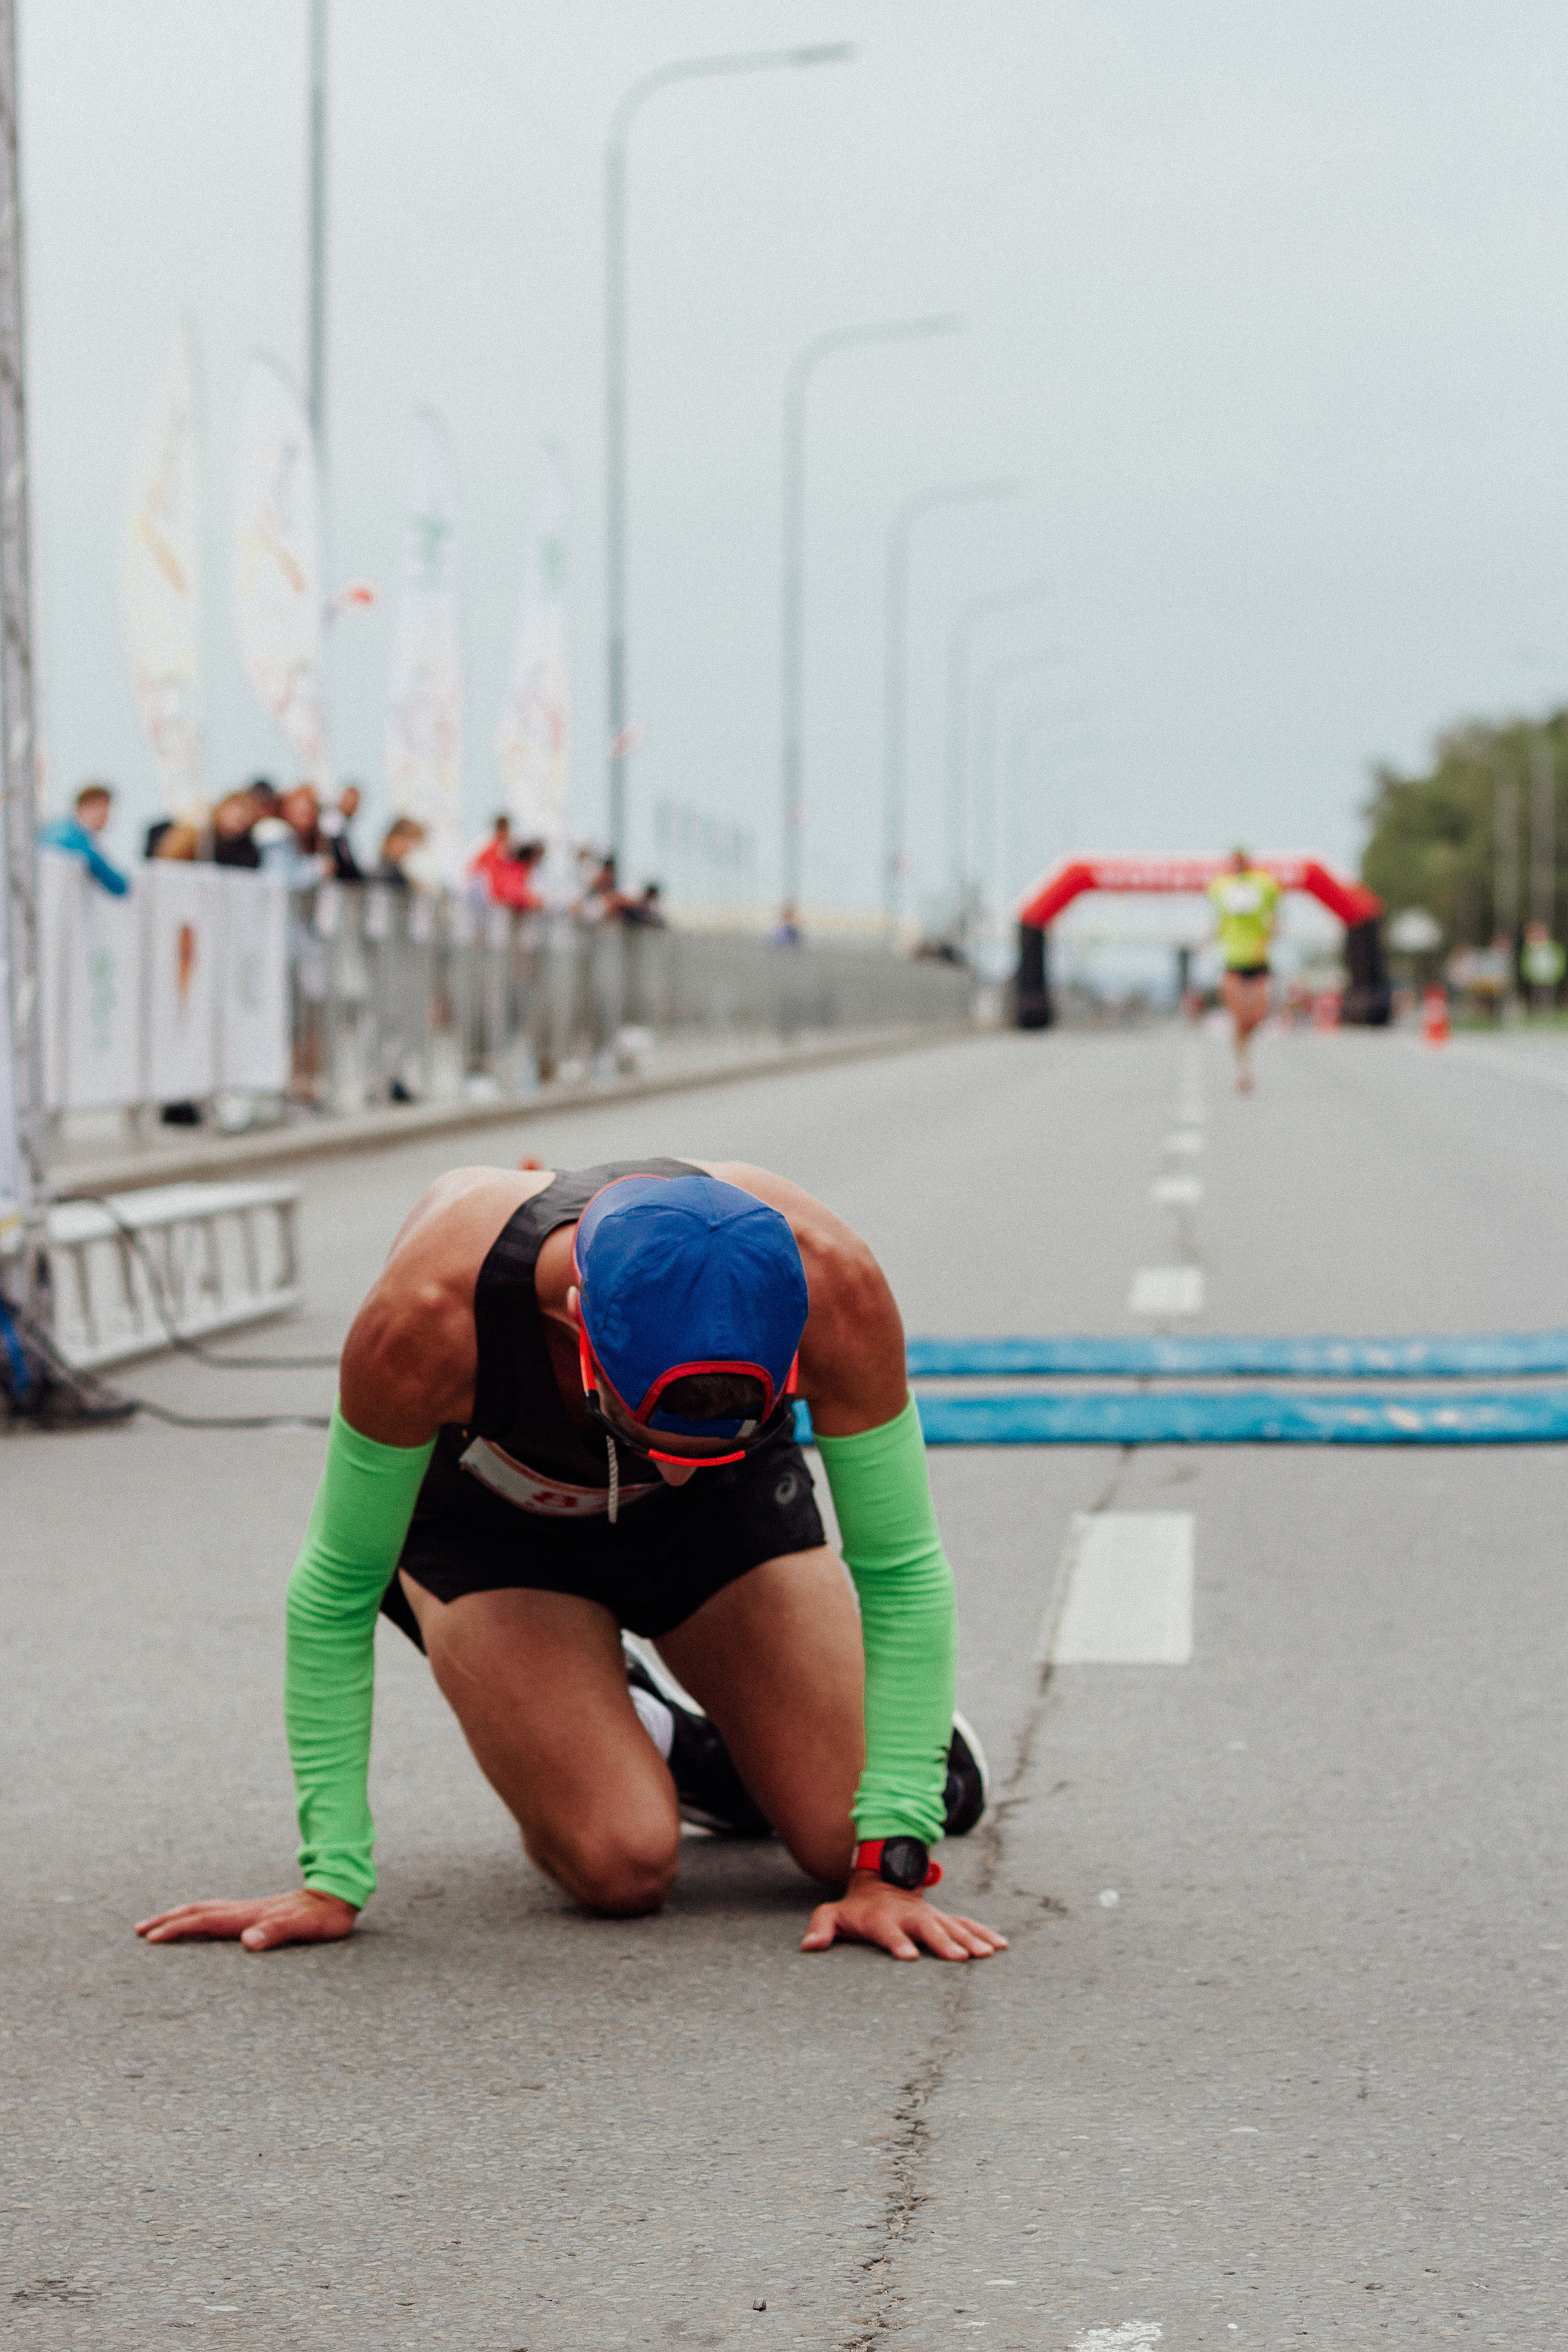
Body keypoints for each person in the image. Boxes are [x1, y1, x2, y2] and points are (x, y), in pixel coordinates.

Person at [135, 1161, 1004, 1968]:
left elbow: (903, 1569)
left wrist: (886, 1865)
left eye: (711, 1439)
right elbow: (333, 1589)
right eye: (649, 1437)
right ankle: (626, 1712)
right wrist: (333, 1876)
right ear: (579, 1320)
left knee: (835, 1841)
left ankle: (681, 1734)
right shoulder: (430, 1316)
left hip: (712, 1525)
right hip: (493, 1534)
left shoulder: (834, 1286)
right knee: (622, 1865)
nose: (670, 1466)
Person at [1207, 848, 1280, 1093]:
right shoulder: (1220, 887)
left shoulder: (1265, 885)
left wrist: (1271, 936)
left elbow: (1275, 916)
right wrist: (1206, 940)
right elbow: (1218, 922)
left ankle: (1244, 1045)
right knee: (1238, 1019)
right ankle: (1243, 1070)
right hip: (1233, 963)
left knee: (1258, 1016)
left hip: (1258, 961)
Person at [38, 782, 129, 895]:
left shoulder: (62, 829)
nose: (106, 817)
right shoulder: (69, 835)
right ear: (84, 807)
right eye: (103, 809)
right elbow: (119, 886)